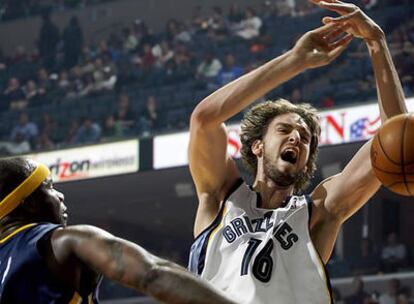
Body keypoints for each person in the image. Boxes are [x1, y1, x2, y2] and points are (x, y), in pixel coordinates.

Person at [187, 1, 408, 303]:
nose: (296, 138)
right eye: (284, 130)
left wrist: (376, 42)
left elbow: (396, 142)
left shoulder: (317, 212)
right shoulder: (220, 198)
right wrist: (295, 60)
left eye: (305, 137)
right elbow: (204, 120)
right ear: (257, 145)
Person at [0, 157, 237, 303]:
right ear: (29, 203)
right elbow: (153, 274)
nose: (60, 195)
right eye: (49, 187)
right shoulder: (65, 241)